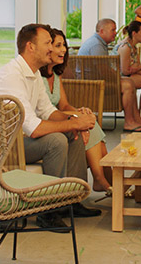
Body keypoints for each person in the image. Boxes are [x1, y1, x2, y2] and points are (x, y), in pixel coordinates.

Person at [0, 23, 101, 232]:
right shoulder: (12, 76)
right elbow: (33, 129)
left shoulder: (34, 73)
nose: (52, 49)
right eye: (47, 43)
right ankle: (48, 211)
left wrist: (76, 121)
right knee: (55, 140)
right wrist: (73, 122)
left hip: (15, 140)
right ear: (30, 47)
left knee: (70, 134)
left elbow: (47, 110)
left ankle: (70, 200)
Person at [40, 27, 112, 194]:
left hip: (58, 118)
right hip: (46, 124)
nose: (63, 50)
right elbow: (44, 113)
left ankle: (106, 180)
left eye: (64, 45)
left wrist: (80, 112)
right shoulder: (37, 77)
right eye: (58, 45)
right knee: (89, 127)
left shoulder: (55, 75)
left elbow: (64, 105)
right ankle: (102, 179)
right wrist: (76, 118)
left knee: (89, 120)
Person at [79, 18, 141, 131]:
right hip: (92, 85)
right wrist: (120, 77)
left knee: (129, 82)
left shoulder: (99, 43)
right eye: (113, 30)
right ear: (102, 31)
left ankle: (135, 119)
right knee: (128, 85)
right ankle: (129, 122)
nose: (116, 33)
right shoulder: (96, 46)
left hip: (95, 80)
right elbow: (104, 72)